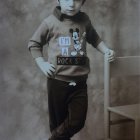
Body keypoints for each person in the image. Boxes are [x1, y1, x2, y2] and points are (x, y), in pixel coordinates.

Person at [28, 0, 115, 139]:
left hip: (80, 82)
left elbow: (95, 39)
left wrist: (106, 51)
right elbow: (34, 44)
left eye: (77, 0)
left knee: (77, 121)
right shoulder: (50, 22)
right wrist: (42, 64)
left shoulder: (84, 20)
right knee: (58, 124)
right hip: (57, 82)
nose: (71, 4)